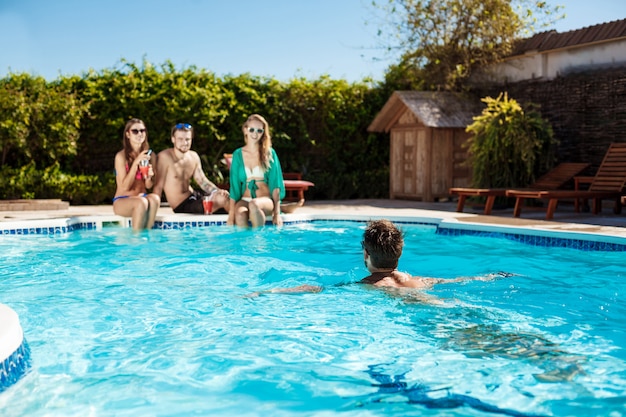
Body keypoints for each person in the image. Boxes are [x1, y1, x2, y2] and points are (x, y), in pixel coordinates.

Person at [247, 219, 506, 296]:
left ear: (366, 254)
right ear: (400, 252)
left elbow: (316, 289)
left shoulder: (367, 285)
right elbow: (456, 280)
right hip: (437, 305)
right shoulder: (418, 280)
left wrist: (268, 292)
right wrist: (490, 276)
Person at [153, 123, 230, 214]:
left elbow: (202, 181)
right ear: (173, 139)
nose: (185, 143)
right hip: (182, 204)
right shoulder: (165, 157)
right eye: (180, 139)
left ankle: (238, 227)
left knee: (227, 198)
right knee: (221, 200)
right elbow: (158, 186)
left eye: (187, 139)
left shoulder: (193, 156)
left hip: (195, 196)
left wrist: (218, 191)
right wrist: (154, 212)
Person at [227, 114, 285, 228]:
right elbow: (234, 186)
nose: (255, 133)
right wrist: (231, 214)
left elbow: (276, 183)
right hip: (244, 199)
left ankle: (259, 242)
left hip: (265, 201)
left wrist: (277, 213)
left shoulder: (269, 153)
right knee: (239, 214)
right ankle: (245, 244)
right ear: (245, 130)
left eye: (259, 131)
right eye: (252, 129)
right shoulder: (238, 155)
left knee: (254, 204)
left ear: (263, 133)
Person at [113, 118, 160, 231]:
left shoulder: (150, 155)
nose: (140, 134)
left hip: (141, 197)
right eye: (135, 131)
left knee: (155, 199)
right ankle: (136, 239)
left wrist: (149, 177)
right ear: (128, 134)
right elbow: (124, 186)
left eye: (142, 130)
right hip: (122, 200)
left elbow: (149, 186)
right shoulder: (121, 157)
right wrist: (135, 163)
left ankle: (147, 235)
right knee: (141, 202)